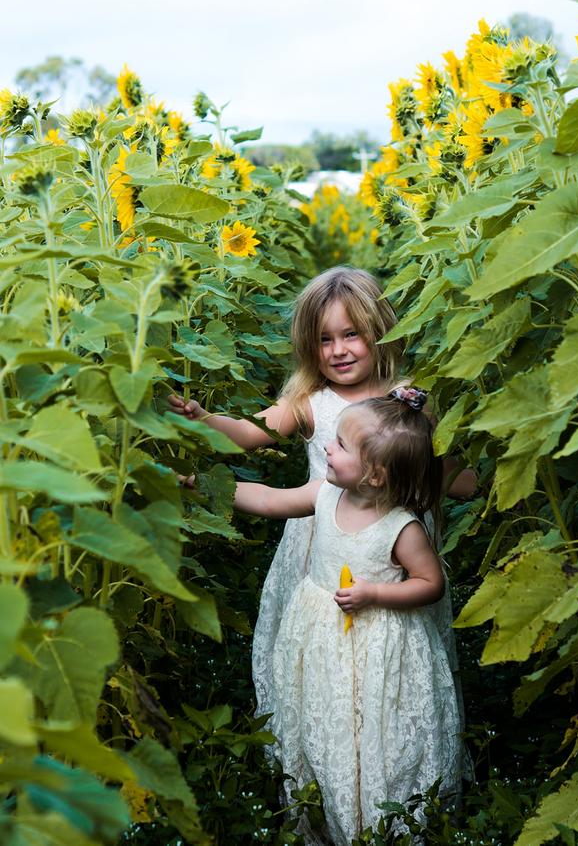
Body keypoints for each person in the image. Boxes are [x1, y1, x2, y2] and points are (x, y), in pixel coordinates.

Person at [168, 266, 475, 717]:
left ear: (379, 331)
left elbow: (443, 472)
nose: (338, 351)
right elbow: (248, 433)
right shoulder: (311, 401)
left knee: (400, 650)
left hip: (394, 549)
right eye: (324, 340)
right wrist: (204, 419)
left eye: (351, 334)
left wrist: (483, 471)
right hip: (321, 542)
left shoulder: (408, 402)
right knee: (319, 644)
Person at [233, 389, 465, 844]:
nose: (326, 448)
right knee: (328, 712)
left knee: (377, 721)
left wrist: (375, 593)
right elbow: (269, 500)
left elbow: (429, 583)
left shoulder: (402, 526)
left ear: (376, 475)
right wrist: (207, 486)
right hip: (323, 635)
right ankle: (326, 803)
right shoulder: (325, 494)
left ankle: (381, 816)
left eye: (339, 446)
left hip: (380, 640)